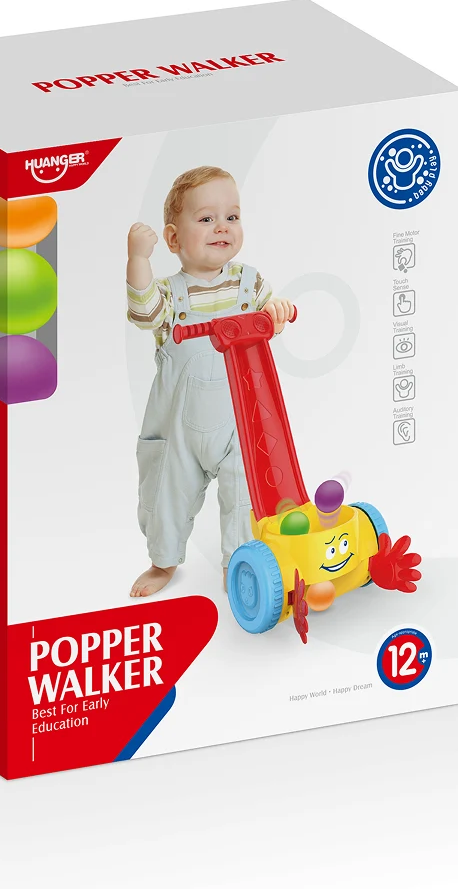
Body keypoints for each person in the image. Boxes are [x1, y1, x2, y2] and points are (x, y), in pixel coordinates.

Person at [126, 166, 294, 598]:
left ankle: (238, 563)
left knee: (245, 495)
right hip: (179, 429)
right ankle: (163, 562)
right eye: (206, 218)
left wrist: (276, 311)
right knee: (166, 494)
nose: (223, 226)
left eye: (232, 217)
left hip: (241, 422)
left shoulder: (249, 284)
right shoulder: (170, 294)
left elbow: (269, 317)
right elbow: (144, 314)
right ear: (173, 239)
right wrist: (138, 259)